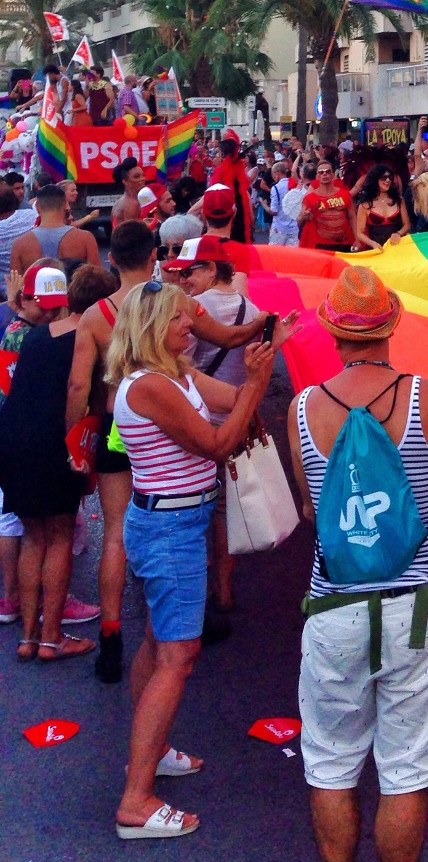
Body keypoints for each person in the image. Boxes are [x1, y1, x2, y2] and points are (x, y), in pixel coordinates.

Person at [286, 266, 428, 862]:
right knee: (404, 768)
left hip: (335, 605)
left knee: (329, 763)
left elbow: (310, 513)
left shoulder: (303, 409)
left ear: (332, 333)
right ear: (392, 327)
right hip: (417, 606)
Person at [66, 221, 279, 683]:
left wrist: (76, 444)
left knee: (119, 530)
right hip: (160, 430)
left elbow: (80, 383)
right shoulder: (170, 310)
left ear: (111, 259)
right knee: (164, 514)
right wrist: (265, 326)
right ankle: (175, 618)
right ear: (152, 258)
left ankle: (111, 631)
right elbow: (227, 338)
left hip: (112, 430)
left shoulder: (95, 315)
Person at [108, 281, 276, 840]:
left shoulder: (175, 373)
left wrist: (259, 373)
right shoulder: (152, 385)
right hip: (170, 528)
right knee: (178, 656)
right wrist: (254, 383)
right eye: (183, 319)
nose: (193, 325)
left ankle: (149, 755)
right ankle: (136, 799)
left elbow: (228, 403)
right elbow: (215, 442)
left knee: (160, 644)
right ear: (156, 326)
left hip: (175, 521)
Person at [1, 264, 116, 662]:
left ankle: (28, 636)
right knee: (61, 535)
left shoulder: (35, 337)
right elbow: (89, 398)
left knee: (34, 538)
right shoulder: (93, 342)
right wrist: (83, 452)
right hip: (56, 443)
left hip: (14, 440)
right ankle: (52, 638)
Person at [164, 235, 260, 612]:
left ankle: (192, 592)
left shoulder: (190, 310)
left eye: (190, 271)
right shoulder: (252, 309)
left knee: (191, 507)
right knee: (223, 512)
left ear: (210, 268)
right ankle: (223, 590)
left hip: (195, 423)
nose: (184, 280)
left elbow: (177, 366)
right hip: (235, 420)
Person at [10, 183, 100, 273]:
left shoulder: (20, 244)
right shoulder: (85, 239)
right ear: (65, 205)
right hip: (74, 286)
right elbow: (97, 278)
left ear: (37, 207)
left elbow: (16, 284)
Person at [298, 160, 355, 252]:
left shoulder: (345, 194)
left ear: (333, 175)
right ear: (317, 176)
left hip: (344, 243)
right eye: (321, 172)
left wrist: (356, 239)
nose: (325, 174)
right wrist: (304, 216)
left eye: (328, 171)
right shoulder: (310, 198)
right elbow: (299, 220)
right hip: (321, 244)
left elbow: (352, 217)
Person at [354, 165, 410, 251]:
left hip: (397, 247)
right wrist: (373, 243)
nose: (388, 180)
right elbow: (360, 233)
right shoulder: (364, 205)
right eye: (384, 178)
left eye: (390, 177)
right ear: (375, 180)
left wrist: (398, 233)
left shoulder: (399, 200)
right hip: (376, 249)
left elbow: (407, 225)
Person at [111, 157, 147, 229]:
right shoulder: (131, 204)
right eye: (136, 177)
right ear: (125, 181)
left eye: (143, 175)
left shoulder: (125, 201)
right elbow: (133, 235)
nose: (143, 179)